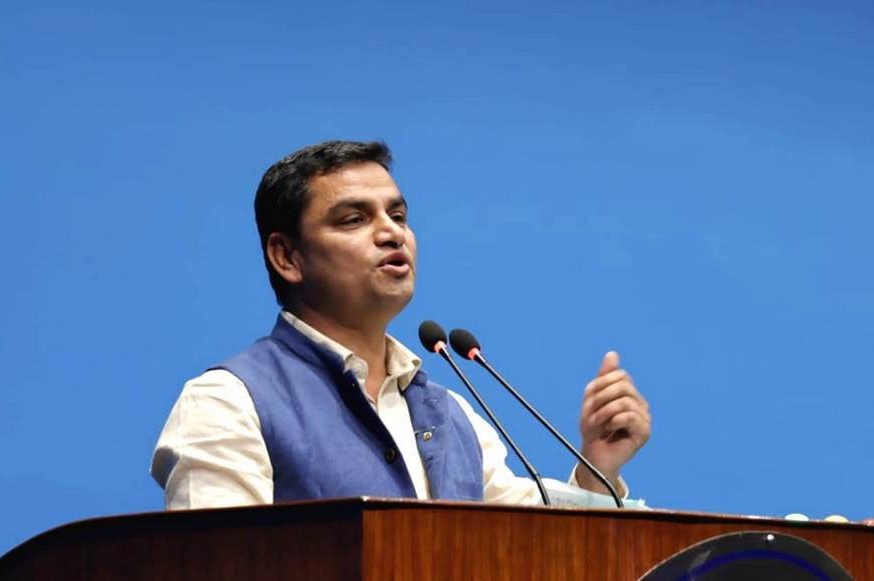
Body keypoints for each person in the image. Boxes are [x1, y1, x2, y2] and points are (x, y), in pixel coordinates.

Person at [150, 140, 651, 509]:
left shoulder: (451, 414)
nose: (391, 233)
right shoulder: (227, 402)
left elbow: (531, 542)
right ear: (287, 257)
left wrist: (597, 466)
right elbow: (217, 561)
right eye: (353, 219)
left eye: (398, 215)